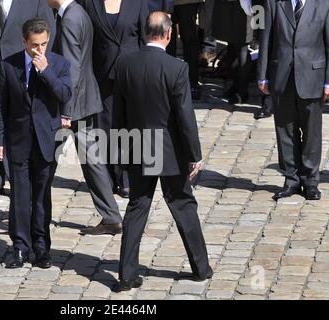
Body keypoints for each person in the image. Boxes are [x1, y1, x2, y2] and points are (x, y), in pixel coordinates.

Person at [113, 11, 212, 291]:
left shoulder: (125, 64)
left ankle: (126, 274)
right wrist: (195, 154)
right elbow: (185, 118)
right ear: (169, 34)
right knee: (182, 203)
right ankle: (200, 268)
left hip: (137, 147)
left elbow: (117, 113)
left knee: (137, 207)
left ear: (146, 33)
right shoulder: (176, 68)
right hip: (169, 151)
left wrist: (121, 150)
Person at [0, 18, 71, 269]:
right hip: (18, 141)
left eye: (44, 44)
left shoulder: (59, 64)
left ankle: (41, 247)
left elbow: (64, 95)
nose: (40, 49)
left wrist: (46, 71)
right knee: (19, 197)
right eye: (35, 45)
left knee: (41, 198)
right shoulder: (8, 66)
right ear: (24, 41)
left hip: (46, 141)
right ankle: (20, 247)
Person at [0, 0, 55, 201]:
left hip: (21, 70)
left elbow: (49, 34)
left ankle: (18, 177)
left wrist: (45, 67)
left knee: (19, 124)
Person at [48, 0, 123, 236]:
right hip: (85, 99)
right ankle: (111, 216)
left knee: (43, 155)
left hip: (71, 104)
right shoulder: (78, 13)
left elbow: (72, 68)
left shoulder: (70, 19)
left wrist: (65, 110)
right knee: (92, 160)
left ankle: (31, 210)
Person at [258, 0, 329, 201]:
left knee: (311, 133)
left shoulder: (325, 4)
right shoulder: (274, 3)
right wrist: (262, 75)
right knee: (285, 130)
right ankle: (291, 179)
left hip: (312, 77)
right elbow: (266, 39)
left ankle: (310, 181)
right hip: (281, 76)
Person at [77, 0, 149, 199]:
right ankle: (106, 177)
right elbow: (83, 35)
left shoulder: (138, 3)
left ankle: (126, 176)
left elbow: (144, 38)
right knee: (104, 127)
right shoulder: (88, 2)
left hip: (131, 73)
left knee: (128, 126)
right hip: (101, 72)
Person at [212, 0, 253, 104]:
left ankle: (242, 91)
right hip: (230, 4)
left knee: (242, 46)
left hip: (244, 4)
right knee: (233, 43)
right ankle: (237, 84)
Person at [169, 0, 203, 100]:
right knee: (167, 40)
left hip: (187, 2)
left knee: (189, 38)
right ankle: (168, 80)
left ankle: (192, 82)